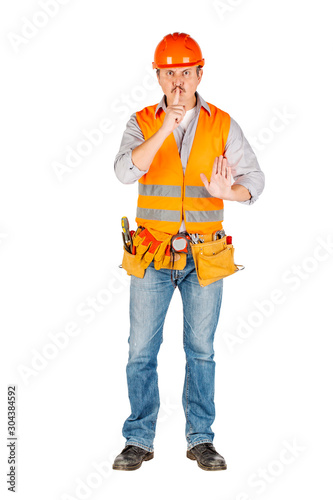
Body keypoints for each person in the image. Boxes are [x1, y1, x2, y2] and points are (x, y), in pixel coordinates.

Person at [113, 32, 265, 471]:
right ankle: (138, 439)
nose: (178, 80)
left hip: (205, 257)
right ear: (158, 76)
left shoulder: (221, 124)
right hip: (152, 256)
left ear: (200, 72)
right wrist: (165, 127)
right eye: (169, 72)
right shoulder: (142, 121)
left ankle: (201, 439)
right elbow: (124, 171)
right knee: (140, 349)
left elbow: (254, 180)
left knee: (201, 349)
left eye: (185, 71)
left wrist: (228, 192)